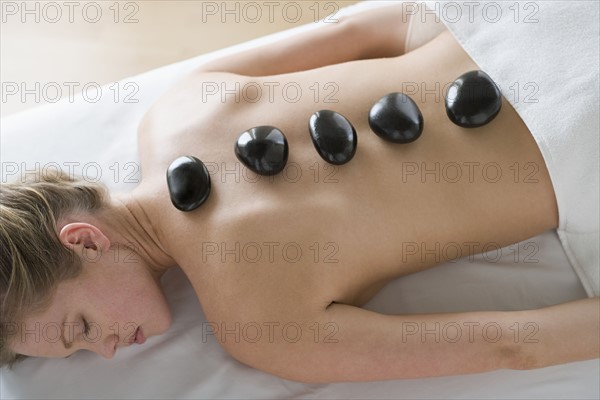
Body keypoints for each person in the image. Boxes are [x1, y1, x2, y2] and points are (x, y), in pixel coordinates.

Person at [1, 2, 598, 383]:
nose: (104, 351)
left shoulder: (261, 329)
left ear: (84, 241)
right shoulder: (177, 107)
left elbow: (513, 348)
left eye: (78, 328)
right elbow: (383, 24)